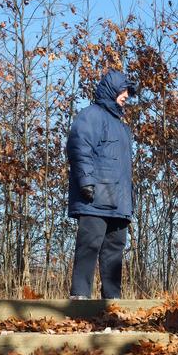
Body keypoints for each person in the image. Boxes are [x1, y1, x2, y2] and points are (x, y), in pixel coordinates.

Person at [67, 69, 136, 299]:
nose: (126, 95)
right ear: (111, 89)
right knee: (89, 245)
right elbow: (79, 147)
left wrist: (129, 201)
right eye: (123, 90)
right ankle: (80, 297)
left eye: (127, 92)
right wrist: (86, 181)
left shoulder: (122, 126)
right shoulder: (91, 115)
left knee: (115, 252)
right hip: (95, 196)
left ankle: (112, 301)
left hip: (119, 201)